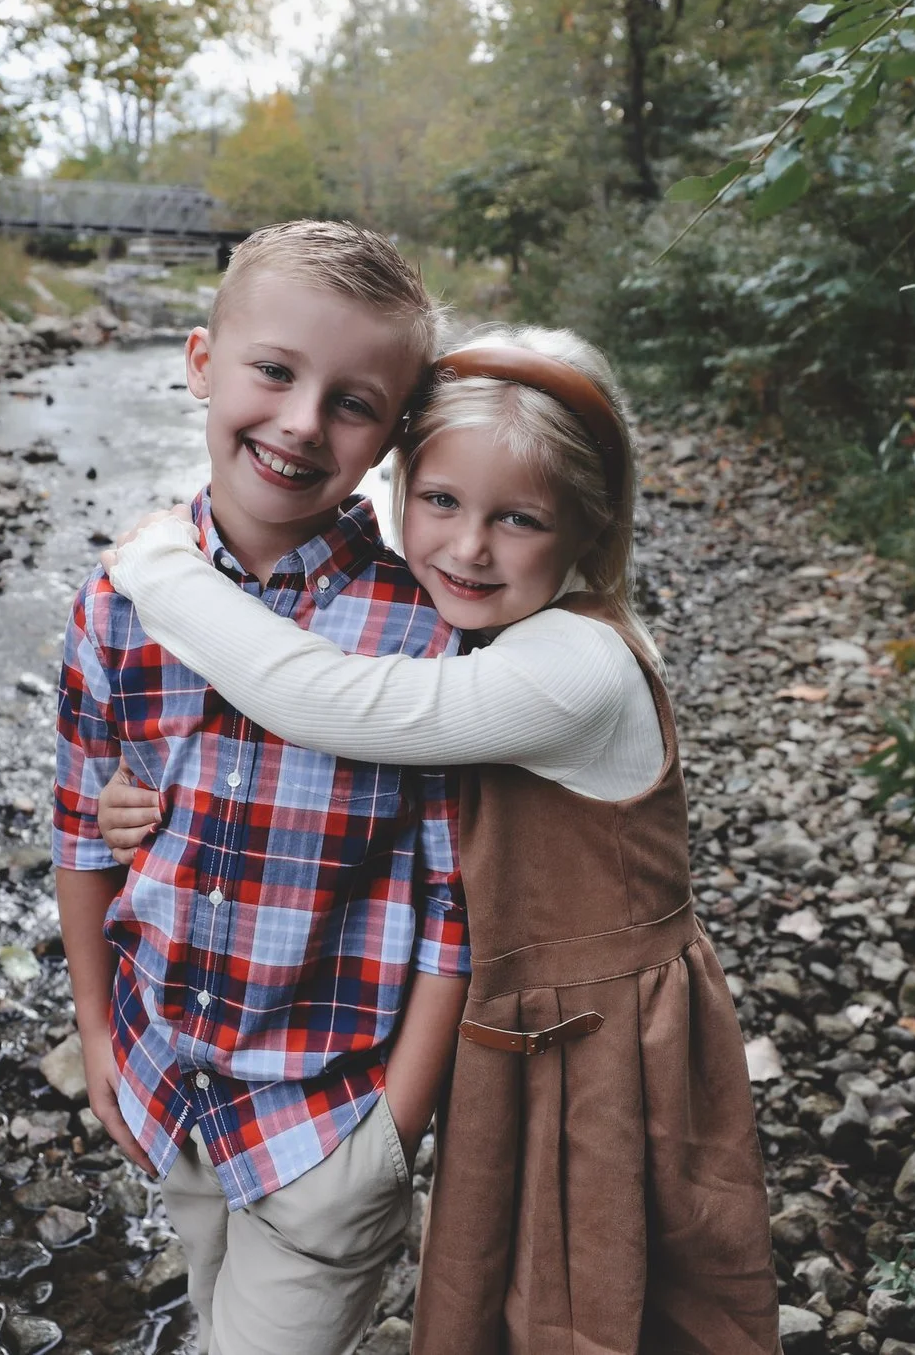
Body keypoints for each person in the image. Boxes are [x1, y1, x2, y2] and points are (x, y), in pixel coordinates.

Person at [95, 326, 782, 1353]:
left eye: (518, 518)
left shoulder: (574, 665)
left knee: (592, 1289)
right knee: (501, 1282)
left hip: (598, 1042)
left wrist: (160, 564)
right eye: (441, 501)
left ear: (588, 529)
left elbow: (335, 702)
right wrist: (148, 789)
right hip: (523, 1023)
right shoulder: (493, 621)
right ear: (396, 488)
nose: (465, 548)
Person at [49, 219, 471, 1355]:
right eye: (274, 371)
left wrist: (396, 1123)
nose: (299, 421)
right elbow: (83, 830)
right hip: (165, 1078)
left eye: (351, 401)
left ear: (390, 436)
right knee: (204, 1298)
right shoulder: (120, 599)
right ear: (199, 364)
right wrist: (96, 1028)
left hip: (325, 1113)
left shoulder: (423, 634)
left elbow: (454, 904)